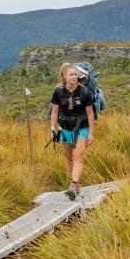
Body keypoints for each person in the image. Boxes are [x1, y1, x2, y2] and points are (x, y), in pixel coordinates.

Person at [50, 63, 95, 200]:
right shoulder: (58, 92)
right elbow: (55, 111)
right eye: (71, 74)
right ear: (65, 76)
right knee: (69, 157)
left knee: (77, 157)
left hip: (82, 128)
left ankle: (73, 186)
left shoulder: (85, 92)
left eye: (75, 74)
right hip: (64, 128)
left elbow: (90, 113)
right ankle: (76, 185)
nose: (74, 77)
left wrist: (91, 133)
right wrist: (53, 129)